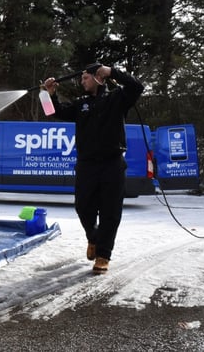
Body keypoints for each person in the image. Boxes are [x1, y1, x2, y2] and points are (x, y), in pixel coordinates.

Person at [43, 64, 144, 274]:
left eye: (85, 78)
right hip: (87, 164)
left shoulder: (118, 98)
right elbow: (55, 112)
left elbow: (137, 86)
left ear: (99, 78)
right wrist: (50, 95)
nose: (82, 82)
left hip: (112, 164)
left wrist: (112, 71)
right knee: (83, 206)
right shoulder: (81, 104)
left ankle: (103, 255)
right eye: (81, 79)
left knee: (110, 212)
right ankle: (93, 238)